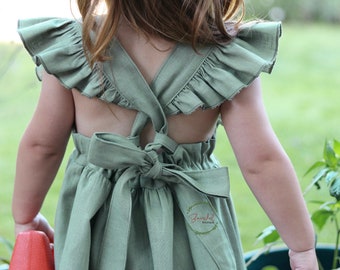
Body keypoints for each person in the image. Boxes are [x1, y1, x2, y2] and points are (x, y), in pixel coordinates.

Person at [12, 0, 318, 269]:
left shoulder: (78, 47)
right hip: (192, 228)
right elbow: (261, 161)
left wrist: (26, 218)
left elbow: (42, 146)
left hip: (97, 227)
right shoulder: (226, 53)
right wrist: (302, 247)